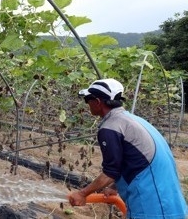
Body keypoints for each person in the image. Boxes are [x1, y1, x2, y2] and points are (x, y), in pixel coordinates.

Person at [68, 78, 188, 218]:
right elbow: (135, 160)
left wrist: (82, 194)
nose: (87, 104)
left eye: (87, 100)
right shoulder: (133, 120)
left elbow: (110, 172)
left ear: (98, 102)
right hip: (166, 199)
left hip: (152, 204)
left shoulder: (111, 127)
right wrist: (114, 187)